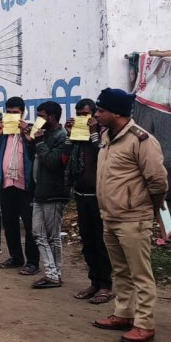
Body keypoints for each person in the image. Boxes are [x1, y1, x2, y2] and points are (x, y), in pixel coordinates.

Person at [91, 88, 167, 342]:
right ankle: (124, 313)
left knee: (140, 273)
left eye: (101, 111)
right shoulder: (106, 137)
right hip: (110, 216)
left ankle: (144, 323)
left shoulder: (141, 140)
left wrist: (147, 209)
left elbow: (158, 182)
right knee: (121, 270)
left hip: (134, 218)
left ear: (116, 112)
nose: (97, 114)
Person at [63, 99, 113, 304]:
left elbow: (104, 157)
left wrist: (93, 133)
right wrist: (69, 135)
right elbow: (64, 160)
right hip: (81, 195)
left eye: (86, 114)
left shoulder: (103, 136)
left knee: (102, 244)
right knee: (88, 242)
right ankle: (94, 282)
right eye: (79, 114)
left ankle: (106, 286)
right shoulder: (77, 138)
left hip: (98, 197)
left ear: (94, 116)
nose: (83, 118)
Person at [0, 97, 39, 275]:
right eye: (9, 112)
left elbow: (38, 149)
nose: (12, 116)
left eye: (15, 113)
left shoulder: (32, 129)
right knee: (9, 223)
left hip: (25, 185)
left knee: (31, 226)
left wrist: (28, 131)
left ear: (23, 113)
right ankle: (16, 257)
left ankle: (32, 261)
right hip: (7, 184)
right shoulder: (3, 132)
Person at [25, 101, 69, 290]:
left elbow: (54, 163)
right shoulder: (43, 135)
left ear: (51, 116)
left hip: (54, 192)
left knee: (53, 236)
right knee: (38, 234)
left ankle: (55, 273)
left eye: (41, 115)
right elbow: (32, 157)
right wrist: (31, 140)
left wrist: (40, 142)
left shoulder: (62, 136)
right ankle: (51, 273)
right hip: (39, 190)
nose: (38, 119)